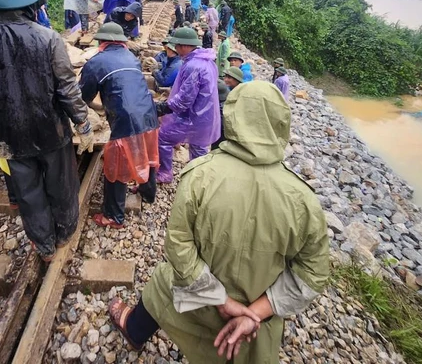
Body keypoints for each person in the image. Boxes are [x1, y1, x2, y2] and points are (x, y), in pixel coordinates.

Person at [107, 83, 330, 363]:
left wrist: (221, 301)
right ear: (281, 125)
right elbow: (313, 274)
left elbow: (178, 245)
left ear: (231, 116)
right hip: (253, 321)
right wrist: (256, 313)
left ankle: (133, 329)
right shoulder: (304, 201)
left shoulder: (199, 175)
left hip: (198, 300)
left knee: (164, 281)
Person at [0, 0, 93, 263]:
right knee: (61, 184)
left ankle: (44, 245)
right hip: (51, 130)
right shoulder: (48, 38)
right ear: (32, 5)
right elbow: (66, 88)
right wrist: (82, 123)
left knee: (26, 191)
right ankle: (64, 231)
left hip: (7, 135)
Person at [80, 23, 159, 228]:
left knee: (116, 165)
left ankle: (114, 216)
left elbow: (83, 96)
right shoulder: (131, 58)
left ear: (101, 42)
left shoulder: (95, 62)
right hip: (149, 113)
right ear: (122, 43)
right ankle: (147, 193)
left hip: (126, 119)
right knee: (148, 155)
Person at [153, 28, 220, 183]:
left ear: (183, 46)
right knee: (199, 150)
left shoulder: (193, 66)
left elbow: (184, 100)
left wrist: (162, 108)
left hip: (193, 117)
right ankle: (198, 182)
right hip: (206, 117)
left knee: (163, 137)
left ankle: (165, 173)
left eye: (176, 46)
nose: (175, 49)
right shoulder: (207, 61)